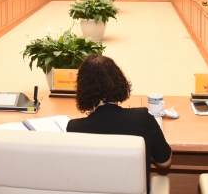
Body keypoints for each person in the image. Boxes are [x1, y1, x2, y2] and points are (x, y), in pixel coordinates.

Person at [66, 55, 171, 189]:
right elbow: (164, 162)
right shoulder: (143, 118)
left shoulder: (74, 128)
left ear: (82, 90)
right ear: (119, 81)